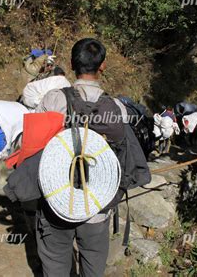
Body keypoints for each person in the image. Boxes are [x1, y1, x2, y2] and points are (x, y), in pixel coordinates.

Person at [32, 38, 150, 276]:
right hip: (97, 206)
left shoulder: (53, 99)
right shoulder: (118, 108)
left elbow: (33, 149)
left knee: (55, 265)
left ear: (72, 64)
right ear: (103, 66)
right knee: (94, 267)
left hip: (56, 204)